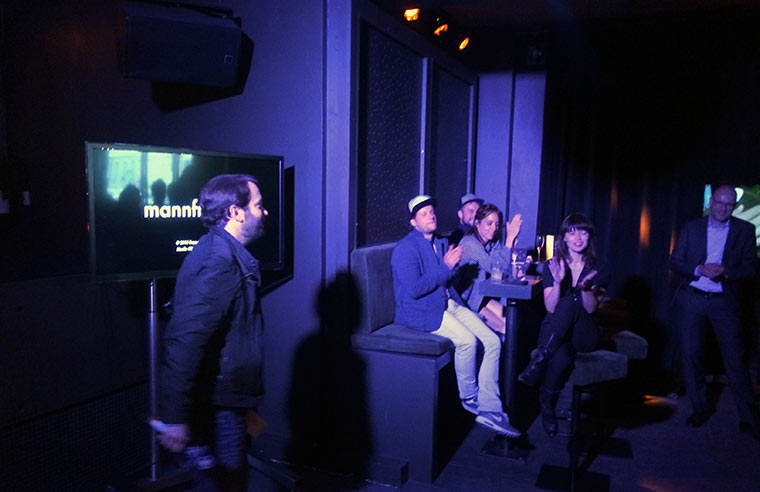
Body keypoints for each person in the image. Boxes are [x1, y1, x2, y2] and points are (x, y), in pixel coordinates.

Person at [157, 174, 269, 491]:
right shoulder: (219, 261)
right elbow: (185, 342)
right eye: (258, 205)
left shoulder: (223, 253)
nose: (264, 212)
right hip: (219, 405)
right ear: (235, 212)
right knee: (224, 484)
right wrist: (175, 417)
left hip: (226, 399)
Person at [391, 195, 520, 437]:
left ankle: (490, 407)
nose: (430, 215)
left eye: (432, 211)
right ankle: (470, 398)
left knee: (493, 341)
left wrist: (457, 277)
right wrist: (447, 267)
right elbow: (414, 290)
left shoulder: (440, 242)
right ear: (413, 222)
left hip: (447, 303)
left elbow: (447, 282)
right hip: (421, 311)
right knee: (467, 341)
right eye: (423, 214)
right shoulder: (405, 249)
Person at [669, 184, 759, 439]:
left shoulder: (745, 230)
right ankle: (700, 408)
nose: (723, 208)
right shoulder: (692, 227)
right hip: (693, 299)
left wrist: (726, 272)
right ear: (711, 203)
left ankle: (748, 417)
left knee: (735, 359)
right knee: (691, 355)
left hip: (724, 302)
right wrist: (699, 269)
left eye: (728, 204)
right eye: (719, 202)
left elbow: (751, 269)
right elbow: (675, 260)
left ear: (734, 206)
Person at [517, 213, 607, 437]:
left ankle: (539, 361)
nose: (578, 238)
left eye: (583, 232)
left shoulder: (597, 266)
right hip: (557, 334)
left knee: (572, 302)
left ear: (589, 237)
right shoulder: (554, 264)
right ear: (564, 237)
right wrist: (557, 282)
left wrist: (585, 288)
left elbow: (591, 309)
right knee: (562, 358)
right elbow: (550, 307)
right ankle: (547, 405)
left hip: (584, 334)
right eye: (572, 232)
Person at [456, 203, 523, 334]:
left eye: (496, 225)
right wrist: (509, 239)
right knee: (505, 328)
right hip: (466, 301)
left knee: (512, 321)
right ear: (477, 223)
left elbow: (504, 269)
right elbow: (494, 268)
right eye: (489, 223)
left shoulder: (491, 243)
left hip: (481, 297)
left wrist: (512, 249)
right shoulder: (469, 244)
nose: (494, 228)